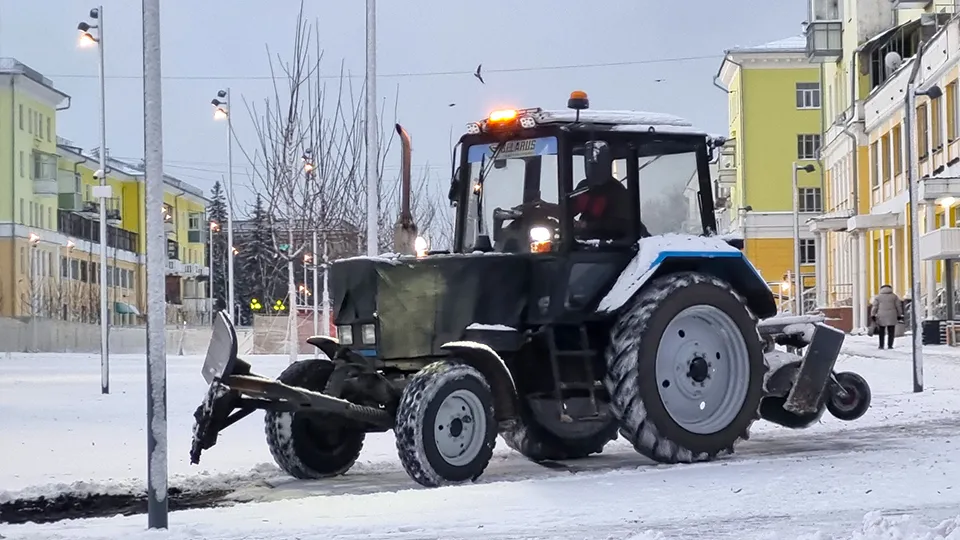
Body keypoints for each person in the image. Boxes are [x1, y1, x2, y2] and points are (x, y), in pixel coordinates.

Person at [569, 140, 636, 239]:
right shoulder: (584, 187)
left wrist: (588, 225)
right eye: (590, 163)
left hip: (612, 242)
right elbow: (569, 209)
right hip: (585, 239)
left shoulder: (616, 190)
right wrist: (549, 209)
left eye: (597, 163)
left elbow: (621, 224)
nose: (593, 167)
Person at [870, 284, 904, 349]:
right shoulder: (894, 297)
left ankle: (881, 345)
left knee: (881, 331)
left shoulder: (878, 297)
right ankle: (890, 345)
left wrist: (873, 315)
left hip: (881, 316)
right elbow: (898, 306)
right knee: (891, 331)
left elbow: (874, 307)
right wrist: (899, 314)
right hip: (892, 315)